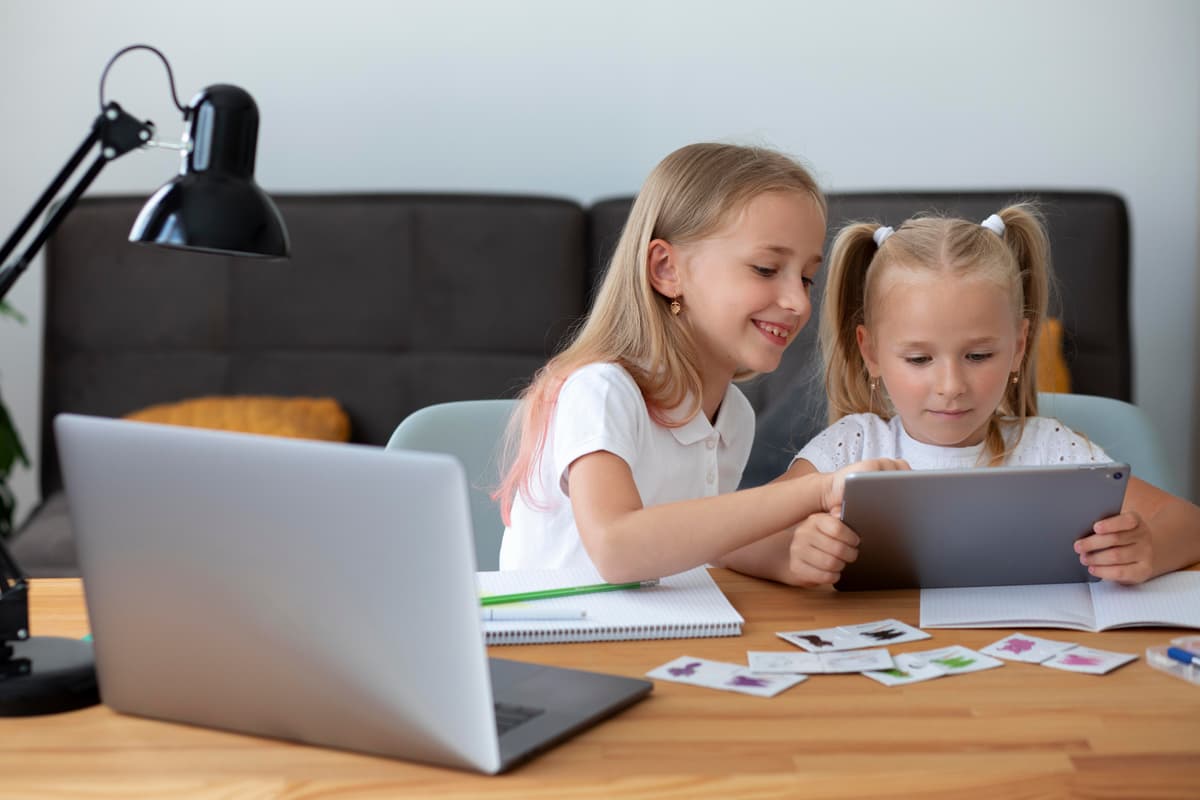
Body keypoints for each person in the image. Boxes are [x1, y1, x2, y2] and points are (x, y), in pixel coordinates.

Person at [493, 142, 905, 582]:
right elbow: (618, 549)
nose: (798, 301)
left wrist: (788, 559)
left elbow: (710, 539)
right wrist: (818, 490)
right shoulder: (602, 392)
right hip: (559, 643)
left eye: (806, 277)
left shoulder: (733, 417)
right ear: (667, 270)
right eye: (766, 269)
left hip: (658, 636)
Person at [779, 202, 1200, 586]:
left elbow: (1189, 524)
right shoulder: (852, 446)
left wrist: (1152, 549)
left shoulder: (1050, 450)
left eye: (978, 355)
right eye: (920, 359)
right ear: (870, 352)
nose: (951, 386)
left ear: (1019, 346)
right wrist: (791, 551)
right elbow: (733, 538)